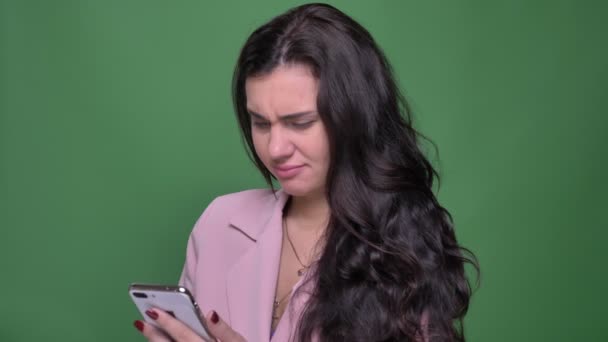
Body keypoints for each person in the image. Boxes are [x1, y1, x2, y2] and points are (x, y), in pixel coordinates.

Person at [133, 3, 478, 341]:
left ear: (353, 116)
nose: (276, 148)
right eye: (260, 123)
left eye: (300, 122)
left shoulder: (403, 249)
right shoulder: (219, 223)